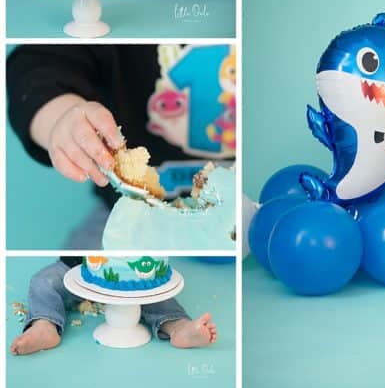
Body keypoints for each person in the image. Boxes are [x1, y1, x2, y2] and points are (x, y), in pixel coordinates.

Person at [7, 44, 237, 248]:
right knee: (71, 280)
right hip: (126, 217)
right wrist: (64, 118)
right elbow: (38, 65)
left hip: (251, 215)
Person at [10, 256, 217, 356]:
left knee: (155, 295)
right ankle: (44, 325)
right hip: (77, 267)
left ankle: (179, 328)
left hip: (133, 273)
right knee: (42, 282)